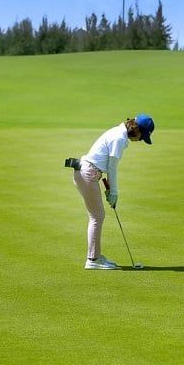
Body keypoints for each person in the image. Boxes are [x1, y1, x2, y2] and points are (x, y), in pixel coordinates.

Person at [73, 114, 155, 270]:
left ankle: (95, 256)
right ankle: (93, 260)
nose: (140, 140)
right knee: (97, 216)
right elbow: (112, 167)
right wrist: (114, 192)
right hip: (88, 173)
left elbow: (106, 166)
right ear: (136, 129)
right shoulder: (119, 138)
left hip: (86, 172)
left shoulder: (118, 132)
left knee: (97, 216)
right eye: (142, 136)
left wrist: (110, 188)